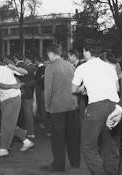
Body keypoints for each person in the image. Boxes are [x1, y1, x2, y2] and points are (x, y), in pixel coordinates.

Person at [71, 38, 120, 175]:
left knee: (88, 145)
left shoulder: (82, 67)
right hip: (114, 106)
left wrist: (83, 88)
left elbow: (73, 89)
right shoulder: (110, 67)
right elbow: (116, 88)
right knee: (112, 146)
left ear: (85, 52)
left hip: (97, 107)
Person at [0, 59, 34, 157]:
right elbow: (2, 86)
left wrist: (14, 67)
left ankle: (4, 148)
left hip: (14, 98)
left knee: (6, 123)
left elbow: (25, 72)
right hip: (4, 100)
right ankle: (26, 141)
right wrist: (14, 85)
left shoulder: (6, 68)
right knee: (10, 123)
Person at [42, 44, 80, 172]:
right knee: (73, 137)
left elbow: (48, 90)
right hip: (72, 105)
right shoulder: (71, 66)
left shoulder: (50, 68)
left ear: (51, 54)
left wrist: (47, 105)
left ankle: (59, 165)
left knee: (58, 138)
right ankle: (75, 162)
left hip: (58, 107)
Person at [68, 49, 88, 127]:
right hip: (78, 95)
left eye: (69, 56)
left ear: (74, 56)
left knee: (81, 116)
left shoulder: (80, 66)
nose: (68, 58)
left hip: (81, 95)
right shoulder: (76, 66)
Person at [34, 57, 47, 128]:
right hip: (42, 89)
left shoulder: (40, 69)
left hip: (42, 89)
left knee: (42, 105)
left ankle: (44, 122)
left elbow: (38, 80)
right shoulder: (44, 69)